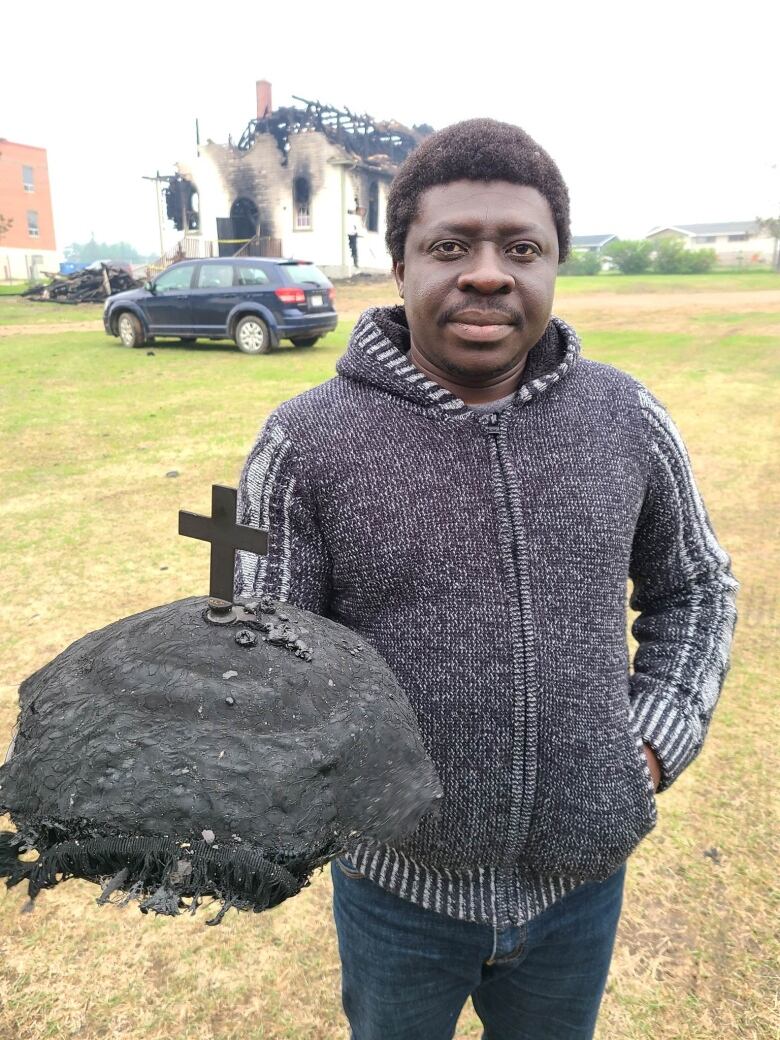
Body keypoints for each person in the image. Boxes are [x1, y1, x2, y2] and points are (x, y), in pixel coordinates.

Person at [234, 119, 737, 1040]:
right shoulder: (303, 443)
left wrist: (655, 742)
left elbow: (697, 587)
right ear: (399, 266)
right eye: (451, 245)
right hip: (396, 893)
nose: (487, 272)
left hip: (579, 889)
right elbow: (257, 650)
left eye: (522, 247)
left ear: (554, 267)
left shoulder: (625, 418)